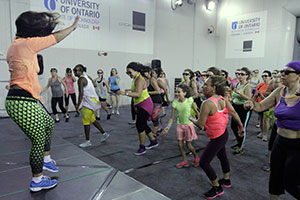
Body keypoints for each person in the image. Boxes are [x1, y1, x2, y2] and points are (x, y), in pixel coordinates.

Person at [4, 11, 79, 192]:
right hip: (22, 101)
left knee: (48, 123)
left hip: (26, 99)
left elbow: (20, 72)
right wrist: (73, 27)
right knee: (38, 140)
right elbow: (55, 38)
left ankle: (46, 160)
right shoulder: (26, 44)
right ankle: (37, 181)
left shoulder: (14, 47)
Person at [244, 61, 300, 200]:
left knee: (291, 182)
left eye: (287, 72)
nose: (282, 74)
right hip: (279, 141)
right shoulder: (279, 92)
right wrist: (250, 104)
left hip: (297, 145)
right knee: (275, 178)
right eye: (282, 71)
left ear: (298, 76)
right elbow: (260, 106)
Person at [190, 75, 244, 199]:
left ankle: (217, 188)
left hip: (217, 137)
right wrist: (241, 127)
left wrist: (191, 118)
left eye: (206, 85)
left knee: (204, 162)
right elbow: (234, 113)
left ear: (213, 88)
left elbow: (201, 125)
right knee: (222, 155)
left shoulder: (207, 103)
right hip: (223, 134)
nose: (203, 87)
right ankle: (226, 180)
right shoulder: (222, 99)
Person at [119, 62, 158, 155]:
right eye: (127, 73)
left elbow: (138, 94)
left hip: (145, 104)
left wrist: (125, 93)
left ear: (136, 71)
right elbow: (137, 90)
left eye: (130, 72)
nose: (129, 75)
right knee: (143, 124)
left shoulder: (139, 79)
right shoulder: (136, 78)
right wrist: (129, 90)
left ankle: (142, 147)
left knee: (139, 125)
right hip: (140, 104)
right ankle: (153, 141)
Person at [162, 84, 200, 168]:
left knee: (188, 145)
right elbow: (172, 118)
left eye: (179, 92)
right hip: (180, 125)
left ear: (185, 93)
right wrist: (168, 127)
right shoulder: (175, 103)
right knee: (180, 144)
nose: (177, 94)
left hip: (188, 125)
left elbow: (197, 112)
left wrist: (199, 121)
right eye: (176, 92)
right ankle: (185, 161)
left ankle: (196, 157)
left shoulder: (190, 100)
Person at [73, 64, 109, 148]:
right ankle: (104, 133)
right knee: (92, 119)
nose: (74, 72)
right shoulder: (87, 76)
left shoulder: (81, 79)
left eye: (76, 70)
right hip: (94, 100)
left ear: (81, 71)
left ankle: (87, 141)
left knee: (86, 122)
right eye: (74, 70)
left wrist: (78, 106)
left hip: (89, 102)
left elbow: (81, 93)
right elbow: (95, 85)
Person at [230, 67, 252, 154]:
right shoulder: (236, 84)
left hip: (243, 108)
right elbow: (234, 95)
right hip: (235, 107)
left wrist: (240, 93)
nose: (240, 76)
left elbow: (249, 98)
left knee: (242, 127)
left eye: (242, 74)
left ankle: (241, 147)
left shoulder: (248, 86)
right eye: (239, 74)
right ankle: (238, 141)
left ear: (247, 76)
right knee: (233, 126)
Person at [143, 67, 163, 136]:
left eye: (145, 72)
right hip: (151, 101)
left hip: (157, 100)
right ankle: (159, 128)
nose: (144, 74)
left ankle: (155, 132)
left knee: (154, 116)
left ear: (148, 72)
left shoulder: (152, 80)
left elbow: (158, 91)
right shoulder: (147, 80)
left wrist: (148, 93)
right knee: (152, 116)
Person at [254, 70, 272, 141]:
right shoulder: (260, 85)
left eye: (266, 76)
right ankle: (262, 132)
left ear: (270, 77)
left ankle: (265, 134)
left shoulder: (271, 86)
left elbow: (271, 98)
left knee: (266, 120)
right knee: (260, 119)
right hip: (260, 104)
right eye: (263, 76)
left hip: (268, 105)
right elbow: (255, 95)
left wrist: (262, 96)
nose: (264, 77)